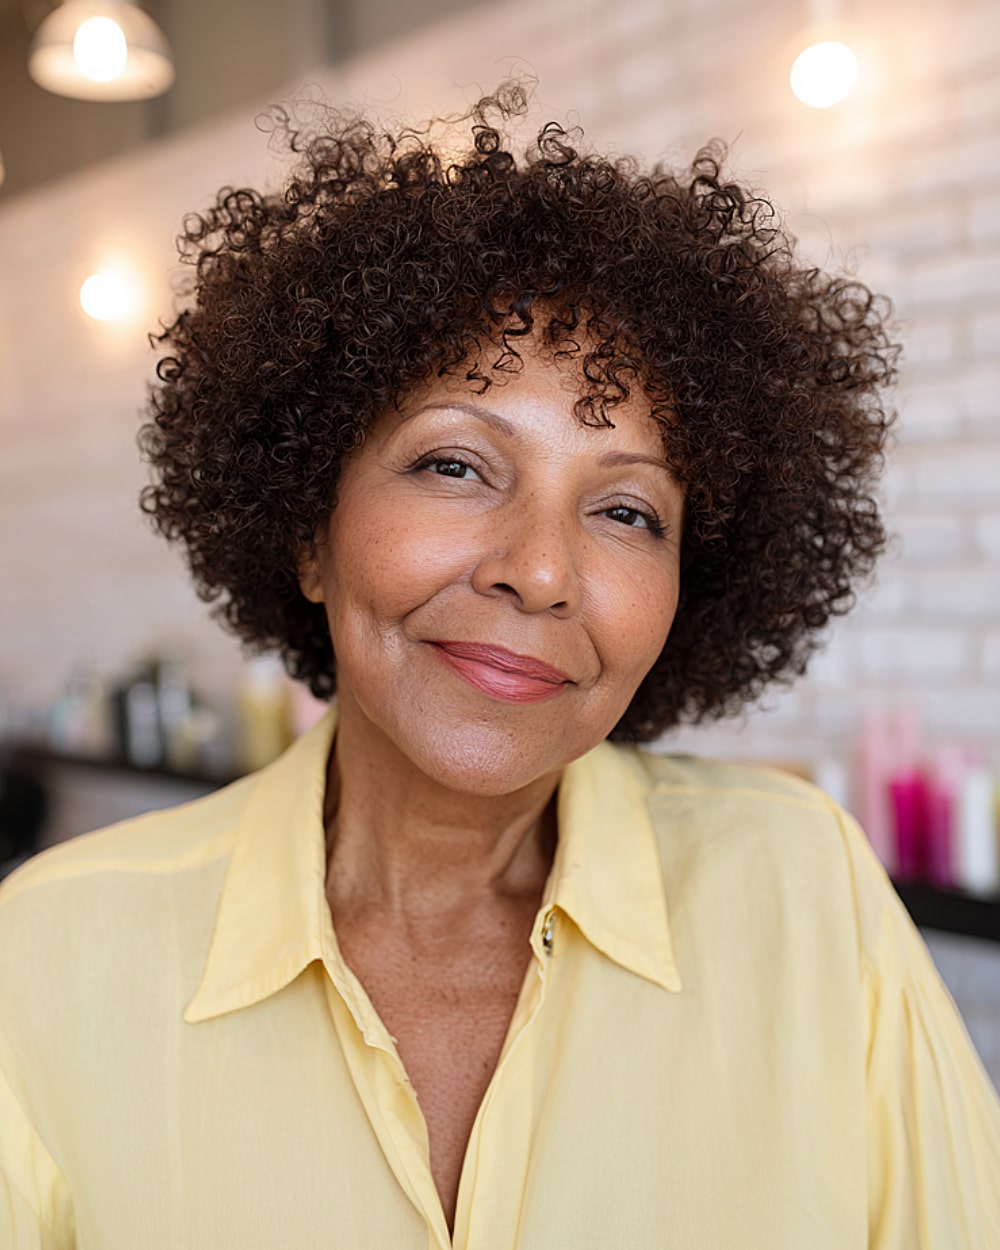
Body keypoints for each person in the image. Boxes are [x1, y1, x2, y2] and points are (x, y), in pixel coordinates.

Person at [1, 84, 998, 1250]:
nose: (540, 570)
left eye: (625, 509)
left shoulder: (802, 892)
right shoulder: (46, 957)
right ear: (307, 532)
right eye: (456, 466)